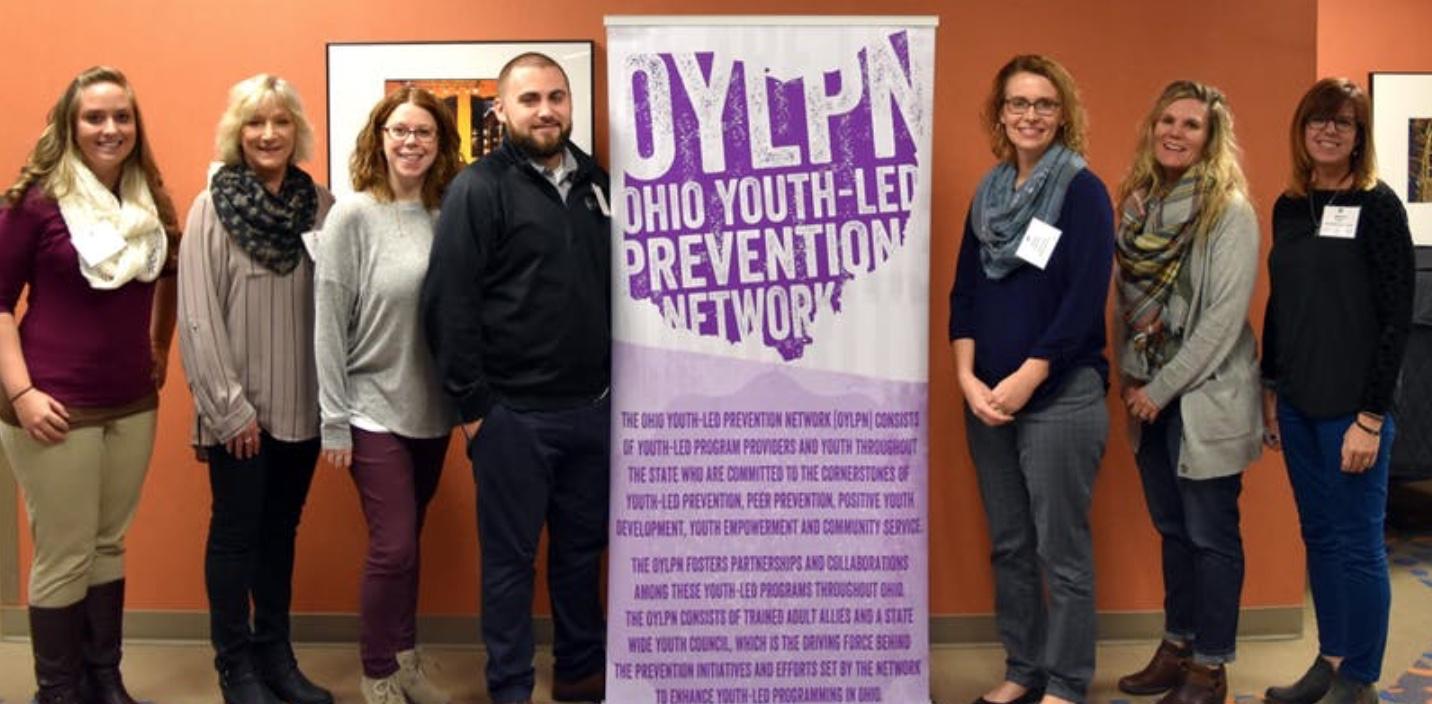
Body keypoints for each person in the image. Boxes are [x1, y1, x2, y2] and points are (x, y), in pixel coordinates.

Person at [421, 52, 611, 704]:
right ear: (501, 109)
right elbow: (448, 304)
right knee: (510, 566)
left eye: (556, 97)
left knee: (582, 554)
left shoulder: (598, 184)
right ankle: (509, 686)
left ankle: (581, 673)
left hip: (593, 409)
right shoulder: (479, 188)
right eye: (529, 99)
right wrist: (477, 413)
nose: (546, 110)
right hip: (512, 418)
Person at [0, 65, 179, 704]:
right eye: (94, 117)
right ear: (69, 125)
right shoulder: (34, 202)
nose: (110, 128)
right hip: (51, 402)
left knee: (107, 544)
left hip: (131, 401)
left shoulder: (149, 203)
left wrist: (158, 346)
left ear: (136, 125)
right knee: (64, 551)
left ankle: (104, 678)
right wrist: (20, 393)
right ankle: (58, 689)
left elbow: (169, 273)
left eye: (122, 116)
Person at [947, 54, 1113, 704]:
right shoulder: (989, 197)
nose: (1030, 116)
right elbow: (965, 293)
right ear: (1000, 113)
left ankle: (1067, 683)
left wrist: (1029, 374)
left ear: (1062, 113)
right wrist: (966, 377)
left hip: (1059, 398)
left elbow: (1083, 298)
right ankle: (1023, 668)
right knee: (1010, 544)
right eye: (1018, 103)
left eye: (1044, 104)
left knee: (1059, 550)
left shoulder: (1082, 190)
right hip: (985, 397)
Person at [176, 74, 334, 704]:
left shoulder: (322, 207)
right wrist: (229, 409)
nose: (268, 134)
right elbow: (196, 315)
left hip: (304, 406)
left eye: (280, 122)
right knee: (236, 536)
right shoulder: (209, 207)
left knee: (280, 535)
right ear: (235, 133)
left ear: (297, 131)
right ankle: (235, 668)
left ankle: (277, 658)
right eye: (254, 123)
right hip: (236, 414)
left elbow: (337, 306)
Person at [1261, 77, 1414, 704]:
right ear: (1302, 129)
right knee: (1318, 537)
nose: (1328, 130)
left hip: (1353, 411)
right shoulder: (1289, 207)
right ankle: (1330, 659)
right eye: (1318, 120)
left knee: (1357, 545)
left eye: (1343, 122)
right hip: (1296, 403)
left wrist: (1371, 417)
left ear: (1358, 136)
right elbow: (1281, 305)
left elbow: (1396, 315)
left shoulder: (1379, 206)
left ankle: (1360, 679)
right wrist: (1271, 389)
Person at [1111, 80, 1262, 704]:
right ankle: (1177, 647)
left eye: (1192, 124)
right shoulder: (1139, 205)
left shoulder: (1230, 212)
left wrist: (1161, 388)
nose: (1175, 132)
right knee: (1174, 532)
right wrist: (1133, 377)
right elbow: (1126, 304)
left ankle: (1211, 666)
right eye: (1167, 120)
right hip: (1148, 398)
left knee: (1211, 536)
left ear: (1212, 138)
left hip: (1201, 400)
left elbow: (1222, 323)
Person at [314, 85, 462, 704]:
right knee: (393, 543)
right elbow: (328, 321)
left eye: (423, 132)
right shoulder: (353, 215)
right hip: (370, 405)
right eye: (399, 130)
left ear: (441, 143)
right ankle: (378, 672)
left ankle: (406, 660)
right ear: (380, 137)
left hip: (431, 410)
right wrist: (334, 419)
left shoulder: (448, 214)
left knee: (409, 547)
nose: (410, 142)